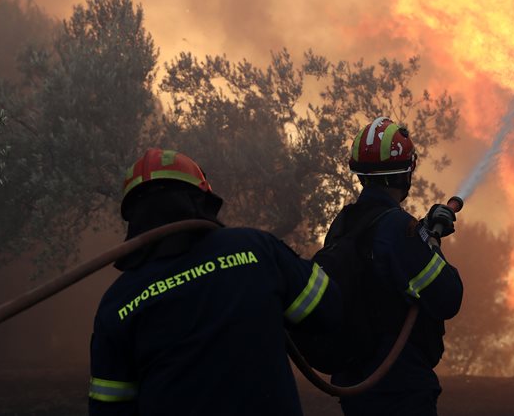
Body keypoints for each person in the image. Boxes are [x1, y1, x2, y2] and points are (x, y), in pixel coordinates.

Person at [88, 148, 340, 415]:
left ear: (133, 215)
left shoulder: (117, 303)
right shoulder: (256, 249)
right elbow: (329, 310)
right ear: (201, 198)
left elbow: (110, 409)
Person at [330, 117, 463, 416]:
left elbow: (386, 268)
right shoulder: (397, 228)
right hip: (399, 386)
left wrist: (422, 232)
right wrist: (430, 243)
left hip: (356, 381)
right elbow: (448, 296)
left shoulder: (343, 224)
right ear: (406, 172)